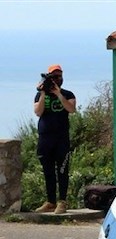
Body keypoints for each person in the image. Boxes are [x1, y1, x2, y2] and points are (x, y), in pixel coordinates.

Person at [34, 64, 76, 214]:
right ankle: (50, 201)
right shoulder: (40, 95)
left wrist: (58, 94)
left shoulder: (68, 94)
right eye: (54, 76)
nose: (57, 79)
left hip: (61, 138)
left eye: (59, 76)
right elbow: (38, 112)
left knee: (62, 170)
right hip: (45, 138)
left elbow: (71, 109)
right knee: (48, 171)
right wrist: (44, 92)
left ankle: (62, 201)